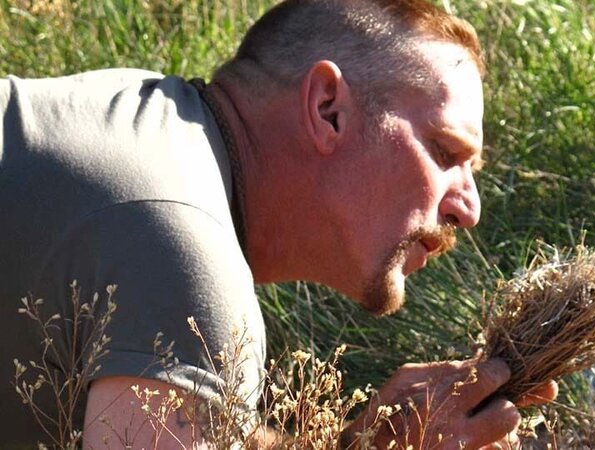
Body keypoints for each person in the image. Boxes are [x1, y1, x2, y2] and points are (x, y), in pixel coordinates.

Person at [0, 0, 557, 448]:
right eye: (444, 151)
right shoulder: (185, 249)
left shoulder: (155, 129)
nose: (470, 208)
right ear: (327, 110)